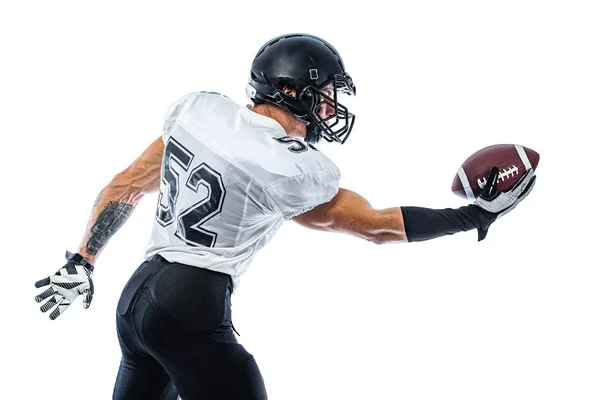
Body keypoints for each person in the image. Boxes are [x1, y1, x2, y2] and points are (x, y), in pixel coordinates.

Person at [34, 33, 536, 400]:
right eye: (324, 95)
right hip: (191, 306)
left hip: (135, 302)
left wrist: (83, 258)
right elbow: (377, 226)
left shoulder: (201, 111)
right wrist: (471, 215)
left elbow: (124, 186)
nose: (331, 108)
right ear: (293, 91)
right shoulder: (292, 168)